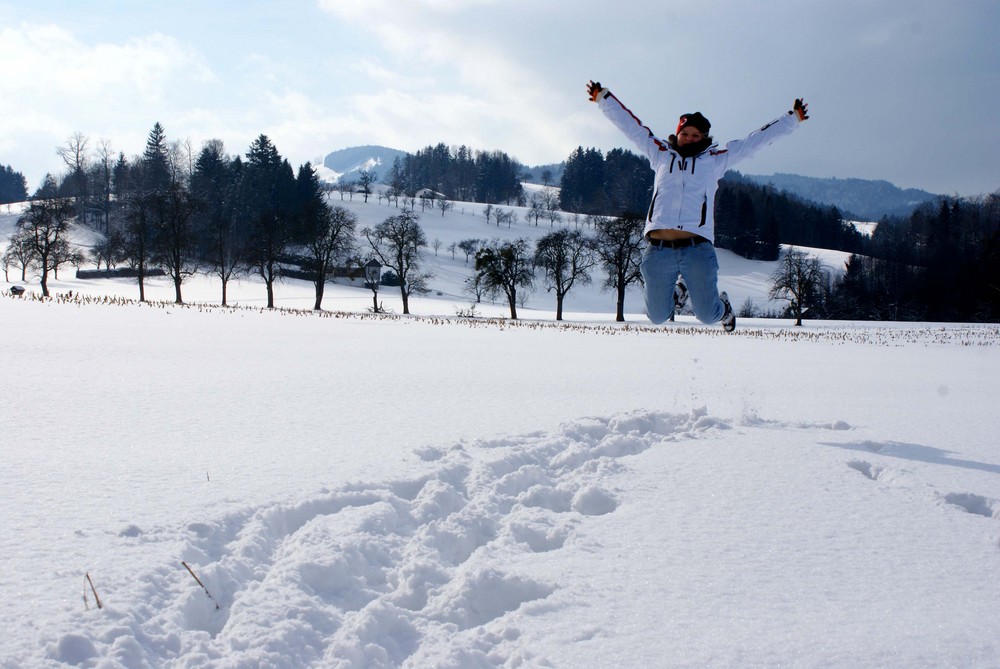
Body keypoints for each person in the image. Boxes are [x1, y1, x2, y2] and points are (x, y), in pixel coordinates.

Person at [587, 80, 809, 331]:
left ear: (704, 138)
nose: (689, 139)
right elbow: (632, 127)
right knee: (658, 316)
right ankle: (679, 291)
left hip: (697, 249)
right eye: (685, 134)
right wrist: (604, 99)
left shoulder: (714, 161)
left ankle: (724, 309)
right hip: (659, 250)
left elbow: (753, 142)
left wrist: (792, 119)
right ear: (677, 134)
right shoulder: (660, 153)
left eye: (696, 135)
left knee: (706, 315)